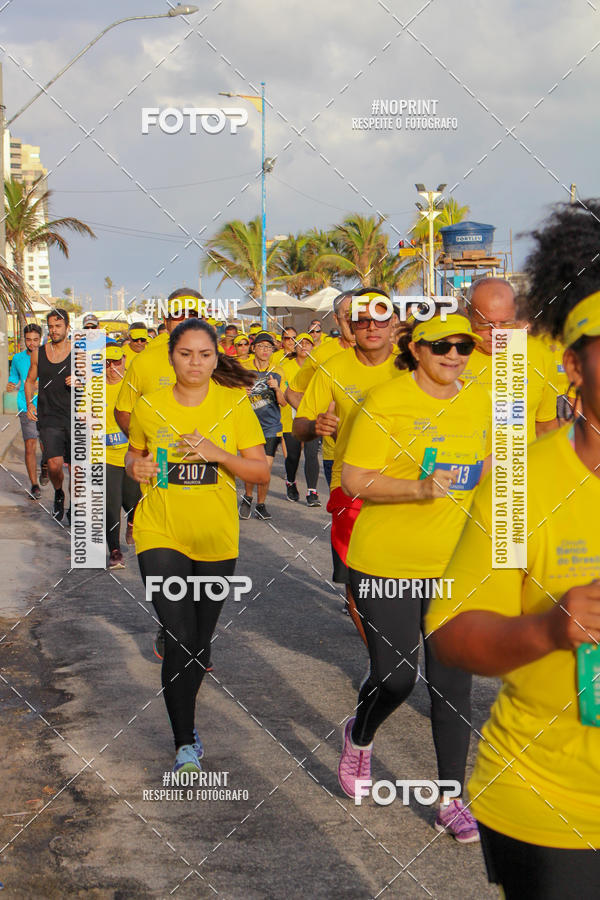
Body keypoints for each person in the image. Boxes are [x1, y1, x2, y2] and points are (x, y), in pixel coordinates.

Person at [426, 202, 600, 896]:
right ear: (573, 367)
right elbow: (453, 632)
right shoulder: (521, 485)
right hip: (551, 806)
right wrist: (552, 627)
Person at [338, 313, 491, 842]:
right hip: (385, 561)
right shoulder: (386, 401)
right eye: (442, 346)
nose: (454, 355)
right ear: (417, 350)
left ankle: (451, 799)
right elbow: (355, 479)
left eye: (464, 347)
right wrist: (418, 490)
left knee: (452, 685)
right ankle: (359, 737)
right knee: (397, 677)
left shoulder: (481, 400)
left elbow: (496, 467)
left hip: (455, 567)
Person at [126, 318, 268, 773]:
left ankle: (189, 693)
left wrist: (219, 454)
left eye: (204, 355)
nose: (195, 363)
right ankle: (184, 742)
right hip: (159, 532)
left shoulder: (233, 404)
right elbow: (136, 453)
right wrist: (137, 468)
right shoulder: (150, 406)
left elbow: (261, 472)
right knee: (180, 637)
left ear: (216, 357)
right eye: (186, 354)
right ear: (172, 357)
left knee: (199, 645)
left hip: (215, 539)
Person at [294, 289, 399, 633]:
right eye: (362, 320)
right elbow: (300, 425)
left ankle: (397, 656)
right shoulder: (331, 368)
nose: (371, 327)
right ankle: (380, 660)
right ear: (350, 326)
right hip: (349, 486)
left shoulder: (413, 365)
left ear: (393, 322)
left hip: (405, 487)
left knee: (406, 581)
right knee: (359, 584)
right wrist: (315, 426)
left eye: (379, 318)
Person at [464, 277, 558, 442]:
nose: (497, 332)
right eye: (485, 324)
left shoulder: (539, 355)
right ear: (467, 314)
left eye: (506, 324)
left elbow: (546, 427)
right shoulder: (447, 355)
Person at [286, 291, 355, 486]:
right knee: (346, 514)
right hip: (337, 454)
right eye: (347, 315)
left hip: (382, 453)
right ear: (335, 318)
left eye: (358, 315)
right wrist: (318, 418)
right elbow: (292, 392)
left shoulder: (387, 352)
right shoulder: (322, 354)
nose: (352, 321)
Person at [115, 289, 203, 438]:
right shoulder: (144, 360)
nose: (186, 321)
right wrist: (141, 446)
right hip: (162, 458)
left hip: (212, 458)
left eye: (193, 316)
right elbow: (123, 410)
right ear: (166, 321)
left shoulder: (221, 361)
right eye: (178, 315)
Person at [24, 309, 73, 522]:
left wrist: (81, 381)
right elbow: (29, 381)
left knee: (77, 468)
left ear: (67, 328)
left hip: (75, 416)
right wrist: (29, 404)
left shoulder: (80, 352)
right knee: (53, 463)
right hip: (49, 416)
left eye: (58, 326)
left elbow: (96, 382)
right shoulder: (39, 353)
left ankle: (75, 504)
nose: (54, 330)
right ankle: (59, 492)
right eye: (51, 327)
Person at [239, 331, 286, 521]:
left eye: (269, 347)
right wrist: (241, 392)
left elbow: (284, 402)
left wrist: (276, 388)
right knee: (252, 466)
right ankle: (248, 498)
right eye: (261, 346)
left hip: (271, 426)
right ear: (253, 348)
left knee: (264, 469)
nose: (265, 350)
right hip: (248, 425)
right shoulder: (243, 369)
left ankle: (261, 504)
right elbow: (232, 397)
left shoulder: (279, 371)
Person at [103, 345, 142, 568]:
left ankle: (133, 521)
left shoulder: (132, 387)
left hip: (131, 454)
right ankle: (115, 551)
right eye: (107, 362)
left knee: (133, 501)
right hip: (106, 456)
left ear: (124, 360)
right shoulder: (94, 388)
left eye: (116, 362)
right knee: (112, 505)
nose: (111, 368)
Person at [280, 333, 321, 505]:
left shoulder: (318, 367)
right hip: (290, 418)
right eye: (300, 343)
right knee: (293, 456)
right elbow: (284, 395)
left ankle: (312, 492)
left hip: (311, 417)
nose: (304, 346)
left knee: (311, 454)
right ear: (295, 347)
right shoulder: (285, 367)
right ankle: (291, 482)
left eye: (308, 343)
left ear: (313, 347)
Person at [7, 323, 47, 498]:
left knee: (47, 445)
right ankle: (34, 485)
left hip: (47, 406)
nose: (32, 343)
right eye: (29, 340)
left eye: (36, 340)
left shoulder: (48, 356)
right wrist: (11, 383)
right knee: (30, 445)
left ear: (41, 338)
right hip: (26, 405)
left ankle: (45, 466)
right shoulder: (17, 359)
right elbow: (14, 376)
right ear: (24, 339)